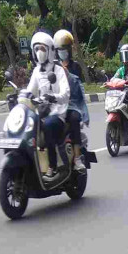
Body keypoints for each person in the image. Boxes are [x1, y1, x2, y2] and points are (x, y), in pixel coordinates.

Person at [26, 31, 70, 179]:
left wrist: (53, 97)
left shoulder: (58, 71)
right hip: (42, 113)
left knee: (48, 126)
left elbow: (66, 94)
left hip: (57, 114)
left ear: (50, 51)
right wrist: (21, 96)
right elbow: (29, 91)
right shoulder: (36, 71)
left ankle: (53, 166)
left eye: (43, 49)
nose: (40, 52)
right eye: (37, 49)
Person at [54, 29, 88, 173]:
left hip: (71, 103)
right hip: (54, 103)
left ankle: (77, 158)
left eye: (65, 49)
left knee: (74, 119)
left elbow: (77, 87)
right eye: (60, 49)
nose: (62, 52)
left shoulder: (75, 67)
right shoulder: (52, 66)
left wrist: (67, 73)